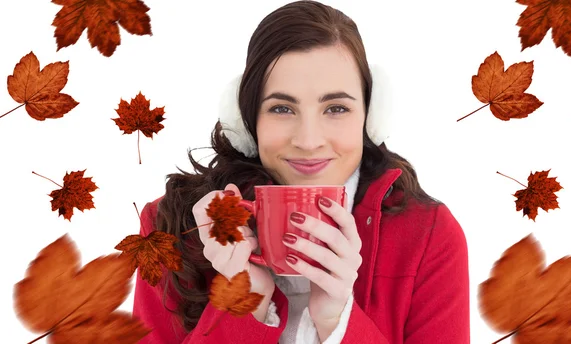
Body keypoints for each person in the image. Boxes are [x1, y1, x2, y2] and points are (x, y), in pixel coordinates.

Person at [132, 1, 470, 343]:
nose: (309, 141)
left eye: (336, 108)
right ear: (247, 122)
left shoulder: (430, 236)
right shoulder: (170, 227)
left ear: (370, 117)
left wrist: (337, 319)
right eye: (281, 108)